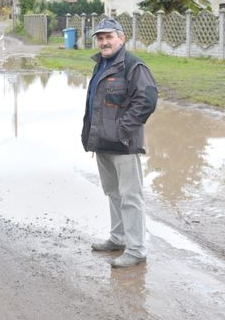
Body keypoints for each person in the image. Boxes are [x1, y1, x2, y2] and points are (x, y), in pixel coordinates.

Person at [81, 18, 158, 268]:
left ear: (121, 38)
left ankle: (136, 250)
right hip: (102, 143)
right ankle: (118, 238)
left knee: (131, 196)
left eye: (108, 37)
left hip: (123, 144)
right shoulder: (101, 65)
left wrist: (122, 130)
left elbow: (146, 100)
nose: (104, 42)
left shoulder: (133, 65)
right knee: (113, 193)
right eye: (100, 38)